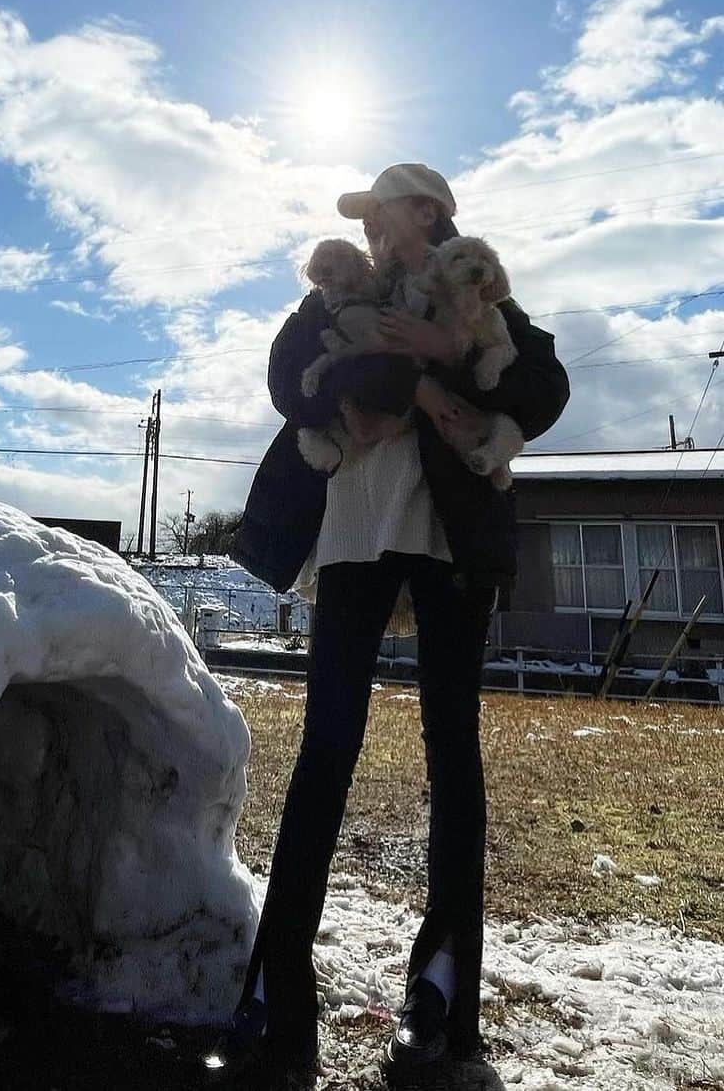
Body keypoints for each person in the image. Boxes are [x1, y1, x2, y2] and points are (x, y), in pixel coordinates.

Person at [210, 163, 570, 1088]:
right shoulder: (335, 293)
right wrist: (385, 371)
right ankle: (279, 1003)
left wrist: (438, 353)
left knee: (455, 755)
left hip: (450, 546)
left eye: (383, 214)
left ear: (430, 213)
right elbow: (287, 380)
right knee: (325, 750)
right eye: (361, 221)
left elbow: (543, 387)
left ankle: (444, 1004)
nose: (371, 231)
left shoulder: (477, 291)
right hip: (352, 539)